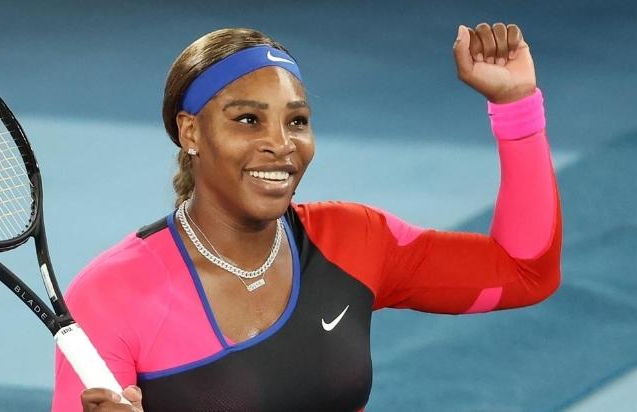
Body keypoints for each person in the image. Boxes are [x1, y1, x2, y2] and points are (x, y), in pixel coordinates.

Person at [52, 23, 562, 412]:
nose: (280, 144)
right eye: (248, 120)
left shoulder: (354, 240)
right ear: (190, 133)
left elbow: (524, 272)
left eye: (296, 121)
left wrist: (516, 105)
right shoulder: (113, 295)